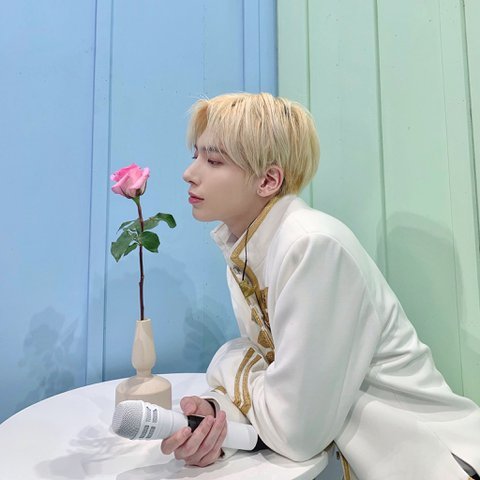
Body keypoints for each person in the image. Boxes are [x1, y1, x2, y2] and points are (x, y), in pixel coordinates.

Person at [160, 92, 480, 479]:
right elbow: (276, 379)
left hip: (440, 466)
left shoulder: (311, 246)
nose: (190, 173)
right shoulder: (247, 255)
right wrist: (219, 416)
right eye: (196, 155)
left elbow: (297, 433)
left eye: (214, 161)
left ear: (268, 180)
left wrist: (227, 359)